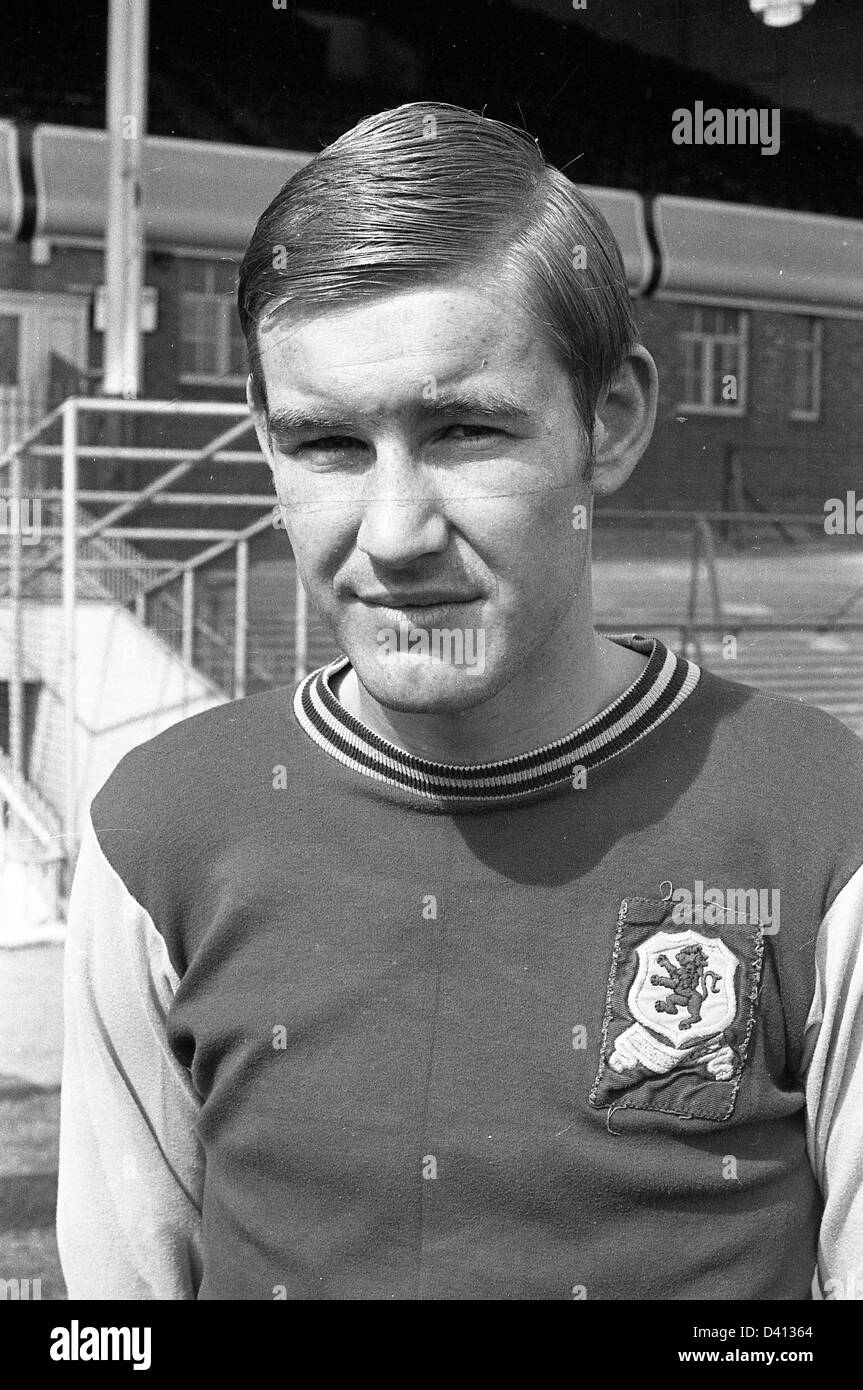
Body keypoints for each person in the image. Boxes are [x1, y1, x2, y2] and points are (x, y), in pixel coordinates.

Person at [57, 101, 863, 1300]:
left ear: (613, 420)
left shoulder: (817, 821)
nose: (393, 534)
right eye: (326, 443)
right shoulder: (158, 836)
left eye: (464, 428)